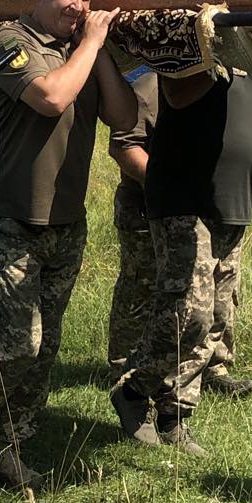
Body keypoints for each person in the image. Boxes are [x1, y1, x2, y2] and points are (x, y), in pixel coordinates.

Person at [0, 0, 137, 488]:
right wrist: (91, 45)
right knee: (16, 344)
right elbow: (50, 97)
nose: (78, 6)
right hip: (12, 220)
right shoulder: (9, 42)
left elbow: (124, 117)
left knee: (44, 350)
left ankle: (6, 443)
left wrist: (99, 50)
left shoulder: (83, 51)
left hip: (66, 223)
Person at [114, 49, 252, 452]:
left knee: (216, 317)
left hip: (235, 206)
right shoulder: (193, 57)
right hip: (184, 202)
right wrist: (217, 55)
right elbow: (177, 97)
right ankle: (133, 389)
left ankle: (174, 415)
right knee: (189, 314)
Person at [104, 71, 159, 378]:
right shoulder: (146, 85)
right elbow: (122, 146)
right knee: (139, 286)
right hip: (142, 206)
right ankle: (123, 364)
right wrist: (167, 186)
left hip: (197, 206)